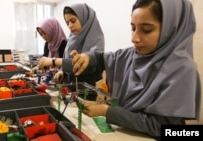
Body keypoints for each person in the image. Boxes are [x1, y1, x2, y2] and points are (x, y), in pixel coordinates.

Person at [71, 0, 201, 139]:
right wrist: (88, 57)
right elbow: (103, 58)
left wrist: (107, 111)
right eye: (133, 28)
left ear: (170, 29)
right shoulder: (133, 55)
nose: (134, 38)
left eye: (146, 30)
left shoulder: (182, 70)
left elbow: (162, 128)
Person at [36, 3, 105, 86]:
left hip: (87, 91)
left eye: (73, 21)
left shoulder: (96, 39)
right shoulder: (72, 39)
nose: (70, 26)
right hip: (69, 88)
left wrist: (54, 61)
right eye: (67, 23)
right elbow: (68, 61)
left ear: (84, 18)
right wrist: (63, 72)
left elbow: (87, 63)